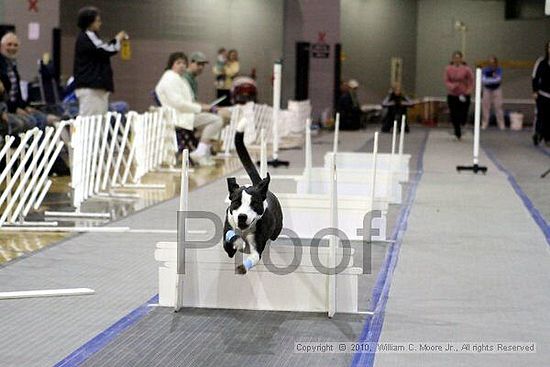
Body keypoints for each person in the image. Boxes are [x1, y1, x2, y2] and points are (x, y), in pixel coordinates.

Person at [155, 52, 223, 167]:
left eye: (183, 63)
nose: (182, 65)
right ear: (172, 64)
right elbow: (179, 104)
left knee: (215, 120)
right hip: (179, 116)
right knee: (216, 120)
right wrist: (200, 108)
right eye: (178, 63)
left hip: (184, 114)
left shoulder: (179, 78)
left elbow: (187, 101)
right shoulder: (170, 78)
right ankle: (201, 151)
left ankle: (203, 150)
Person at [73, 6, 128, 116]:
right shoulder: (87, 37)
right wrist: (117, 40)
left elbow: (103, 48)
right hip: (90, 88)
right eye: (97, 21)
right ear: (89, 22)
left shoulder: (92, 37)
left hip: (95, 88)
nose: (100, 23)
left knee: (98, 124)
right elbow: (106, 50)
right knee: (89, 123)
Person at [0, 32, 55, 130]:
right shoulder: (2, 66)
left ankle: (39, 145)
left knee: (41, 117)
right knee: (29, 121)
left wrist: (25, 107)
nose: (12, 48)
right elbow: (4, 96)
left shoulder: (12, 66)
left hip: (14, 107)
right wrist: (15, 109)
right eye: (9, 44)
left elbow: (17, 94)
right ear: (1, 46)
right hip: (5, 109)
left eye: (15, 45)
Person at [444, 51, 474, 140]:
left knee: (463, 113)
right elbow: (446, 81)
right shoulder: (448, 69)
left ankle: (463, 122)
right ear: (452, 59)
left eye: (458, 58)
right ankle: (458, 133)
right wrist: (452, 86)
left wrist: (469, 90)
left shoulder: (467, 69)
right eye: (455, 58)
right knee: (454, 114)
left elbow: (471, 81)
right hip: (452, 94)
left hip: (464, 94)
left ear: (461, 59)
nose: (457, 60)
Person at [532, 40, 550, 146]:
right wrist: (535, 90)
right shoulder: (541, 62)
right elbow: (535, 77)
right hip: (542, 94)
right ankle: (538, 134)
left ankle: (547, 137)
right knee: (541, 115)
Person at [481, 56, 505, 130]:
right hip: (487, 89)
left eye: (493, 63)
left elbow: (498, 79)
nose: (491, 64)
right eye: (490, 63)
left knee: (498, 106)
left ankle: (501, 124)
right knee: (485, 107)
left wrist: (489, 80)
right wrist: (492, 79)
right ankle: (485, 123)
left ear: (496, 63)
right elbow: (483, 80)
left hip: (497, 89)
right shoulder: (485, 70)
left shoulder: (499, 69)